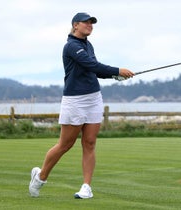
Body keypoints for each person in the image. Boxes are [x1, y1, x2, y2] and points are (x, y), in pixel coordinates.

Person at [29, 12, 134, 199]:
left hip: (93, 98)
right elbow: (92, 65)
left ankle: (86, 187)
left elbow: (93, 70)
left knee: (90, 142)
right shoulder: (71, 46)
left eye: (91, 23)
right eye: (86, 23)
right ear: (75, 25)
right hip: (74, 100)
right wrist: (118, 70)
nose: (90, 25)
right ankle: (40, 176)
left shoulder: (88, 45)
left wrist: (115, 75)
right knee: (65, 144)